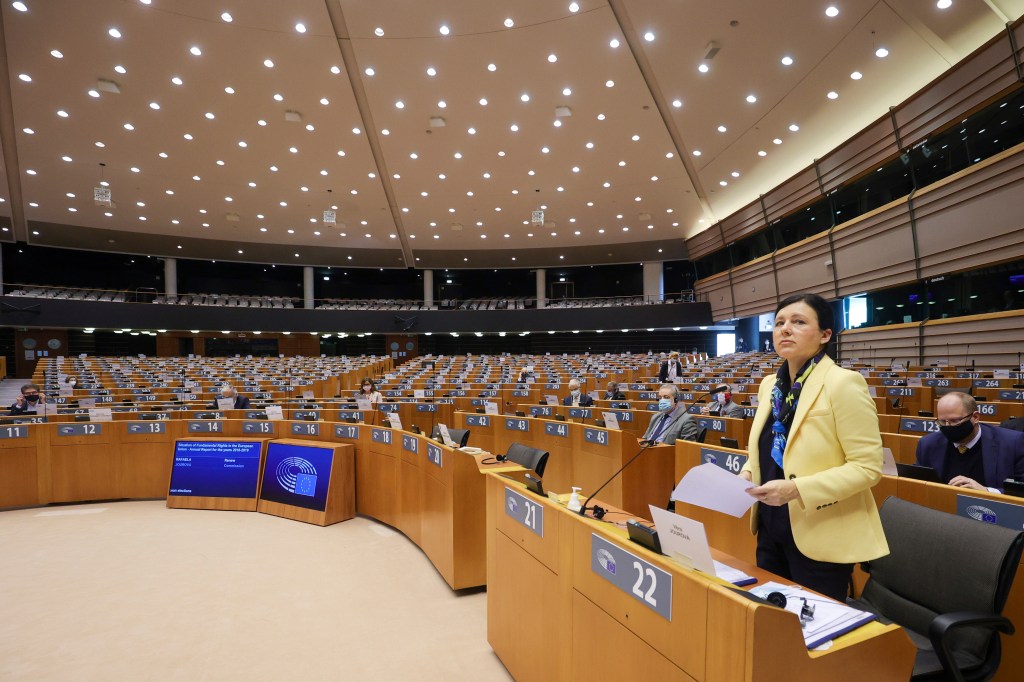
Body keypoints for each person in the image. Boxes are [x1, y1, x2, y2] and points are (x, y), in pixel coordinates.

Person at [739, 293, 888, 602]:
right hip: (770, 525)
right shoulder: (771, 385)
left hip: (821, 530)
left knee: (815, 634)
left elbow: (867, 468)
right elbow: (766, 447)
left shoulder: (843, 383)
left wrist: (796, 490)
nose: (784, 329)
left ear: (825, 335)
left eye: (798, 322)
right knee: (772, 622)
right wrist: (748, 471)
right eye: (779, 322)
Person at [915, 392, 1024, 492]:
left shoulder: (1012, 442)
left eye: (955, 421)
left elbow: (1021, 490)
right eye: (942, 421)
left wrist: (987, 491)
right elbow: (919, 484)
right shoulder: (927, 444)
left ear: (975, 417)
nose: (948, 426)